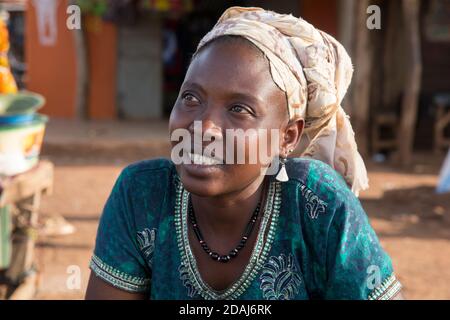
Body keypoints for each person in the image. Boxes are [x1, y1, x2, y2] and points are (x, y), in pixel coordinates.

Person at [85, 7, 403, 300]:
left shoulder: (317, 204)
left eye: (240, 109)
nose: (204, 127)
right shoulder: (142, 195)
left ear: (287, 137)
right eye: (191, 98)